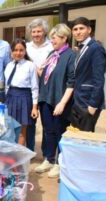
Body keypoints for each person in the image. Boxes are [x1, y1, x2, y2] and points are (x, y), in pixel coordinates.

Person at [34, 24, 75, 178]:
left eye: (54, 38)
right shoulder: (52, 53)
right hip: (46, 98)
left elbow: (72, 81)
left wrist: (62, 102)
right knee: (48, 131)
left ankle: (59, 162)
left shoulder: (71, 55)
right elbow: (45, 73)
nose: (52, 41)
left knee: (60, 132)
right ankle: (49, 159)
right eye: (51, 38)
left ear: (64, 38)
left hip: (59, 101)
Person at [70, 17, 106, 132]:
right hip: (78, 100)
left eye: (81, 28)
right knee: (76, 135)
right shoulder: (81, 48)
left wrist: (93, 105)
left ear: (89, 30)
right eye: (75, 29)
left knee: (84, 138)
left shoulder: (96, 48)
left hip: (88, 103)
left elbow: (99, 79)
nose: (78, 31)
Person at [26, 18, 54, 152]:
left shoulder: (51, 46)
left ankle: (46, 153)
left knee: (46, 123)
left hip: (46, 88)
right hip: (29, 89)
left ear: (44, 32)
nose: (36, 34)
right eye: (34, 31)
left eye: (39, 31)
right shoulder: (26, 47)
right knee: (30, 122)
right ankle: (30, 149)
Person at [4, 39, 39, 146]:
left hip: (24, 98)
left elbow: (35, 87)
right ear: (11, 51)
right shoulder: (9, 65)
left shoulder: (30, 65)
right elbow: (6, 85)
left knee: (21, 131)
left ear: (25, 51)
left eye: (21, 50)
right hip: (10, 98)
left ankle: (18, 156)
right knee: (9, 129)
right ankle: (11, 153)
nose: (18, 53)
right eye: (15, 50)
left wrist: (34, 107)